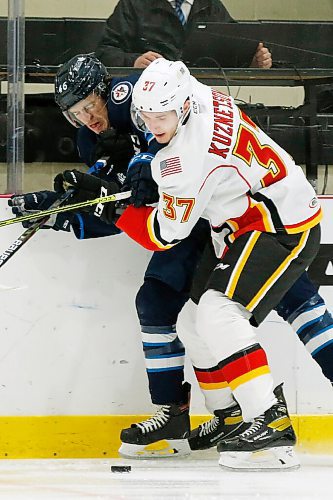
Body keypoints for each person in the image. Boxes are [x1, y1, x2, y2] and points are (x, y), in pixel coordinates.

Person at [11, 55, 333, 463]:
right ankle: (230, 415)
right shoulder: (186, 95)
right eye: (77, 114)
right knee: (190, 319)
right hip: (238, 218)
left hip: (271, 222)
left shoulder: (179, 156)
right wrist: (75, 204)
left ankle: (269, 420)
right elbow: (170, 77)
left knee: (238, 311)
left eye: (92, 106)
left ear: (109, 92)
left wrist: (111, 201)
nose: (89, 118)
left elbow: (160, 232)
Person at [95, 0, 272, 69]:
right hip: (148, 103)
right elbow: (104, 53)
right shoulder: (134, 4)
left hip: (201, 103)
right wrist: (133, 61)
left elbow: (230, 50)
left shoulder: (211, 6)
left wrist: (251, 62)